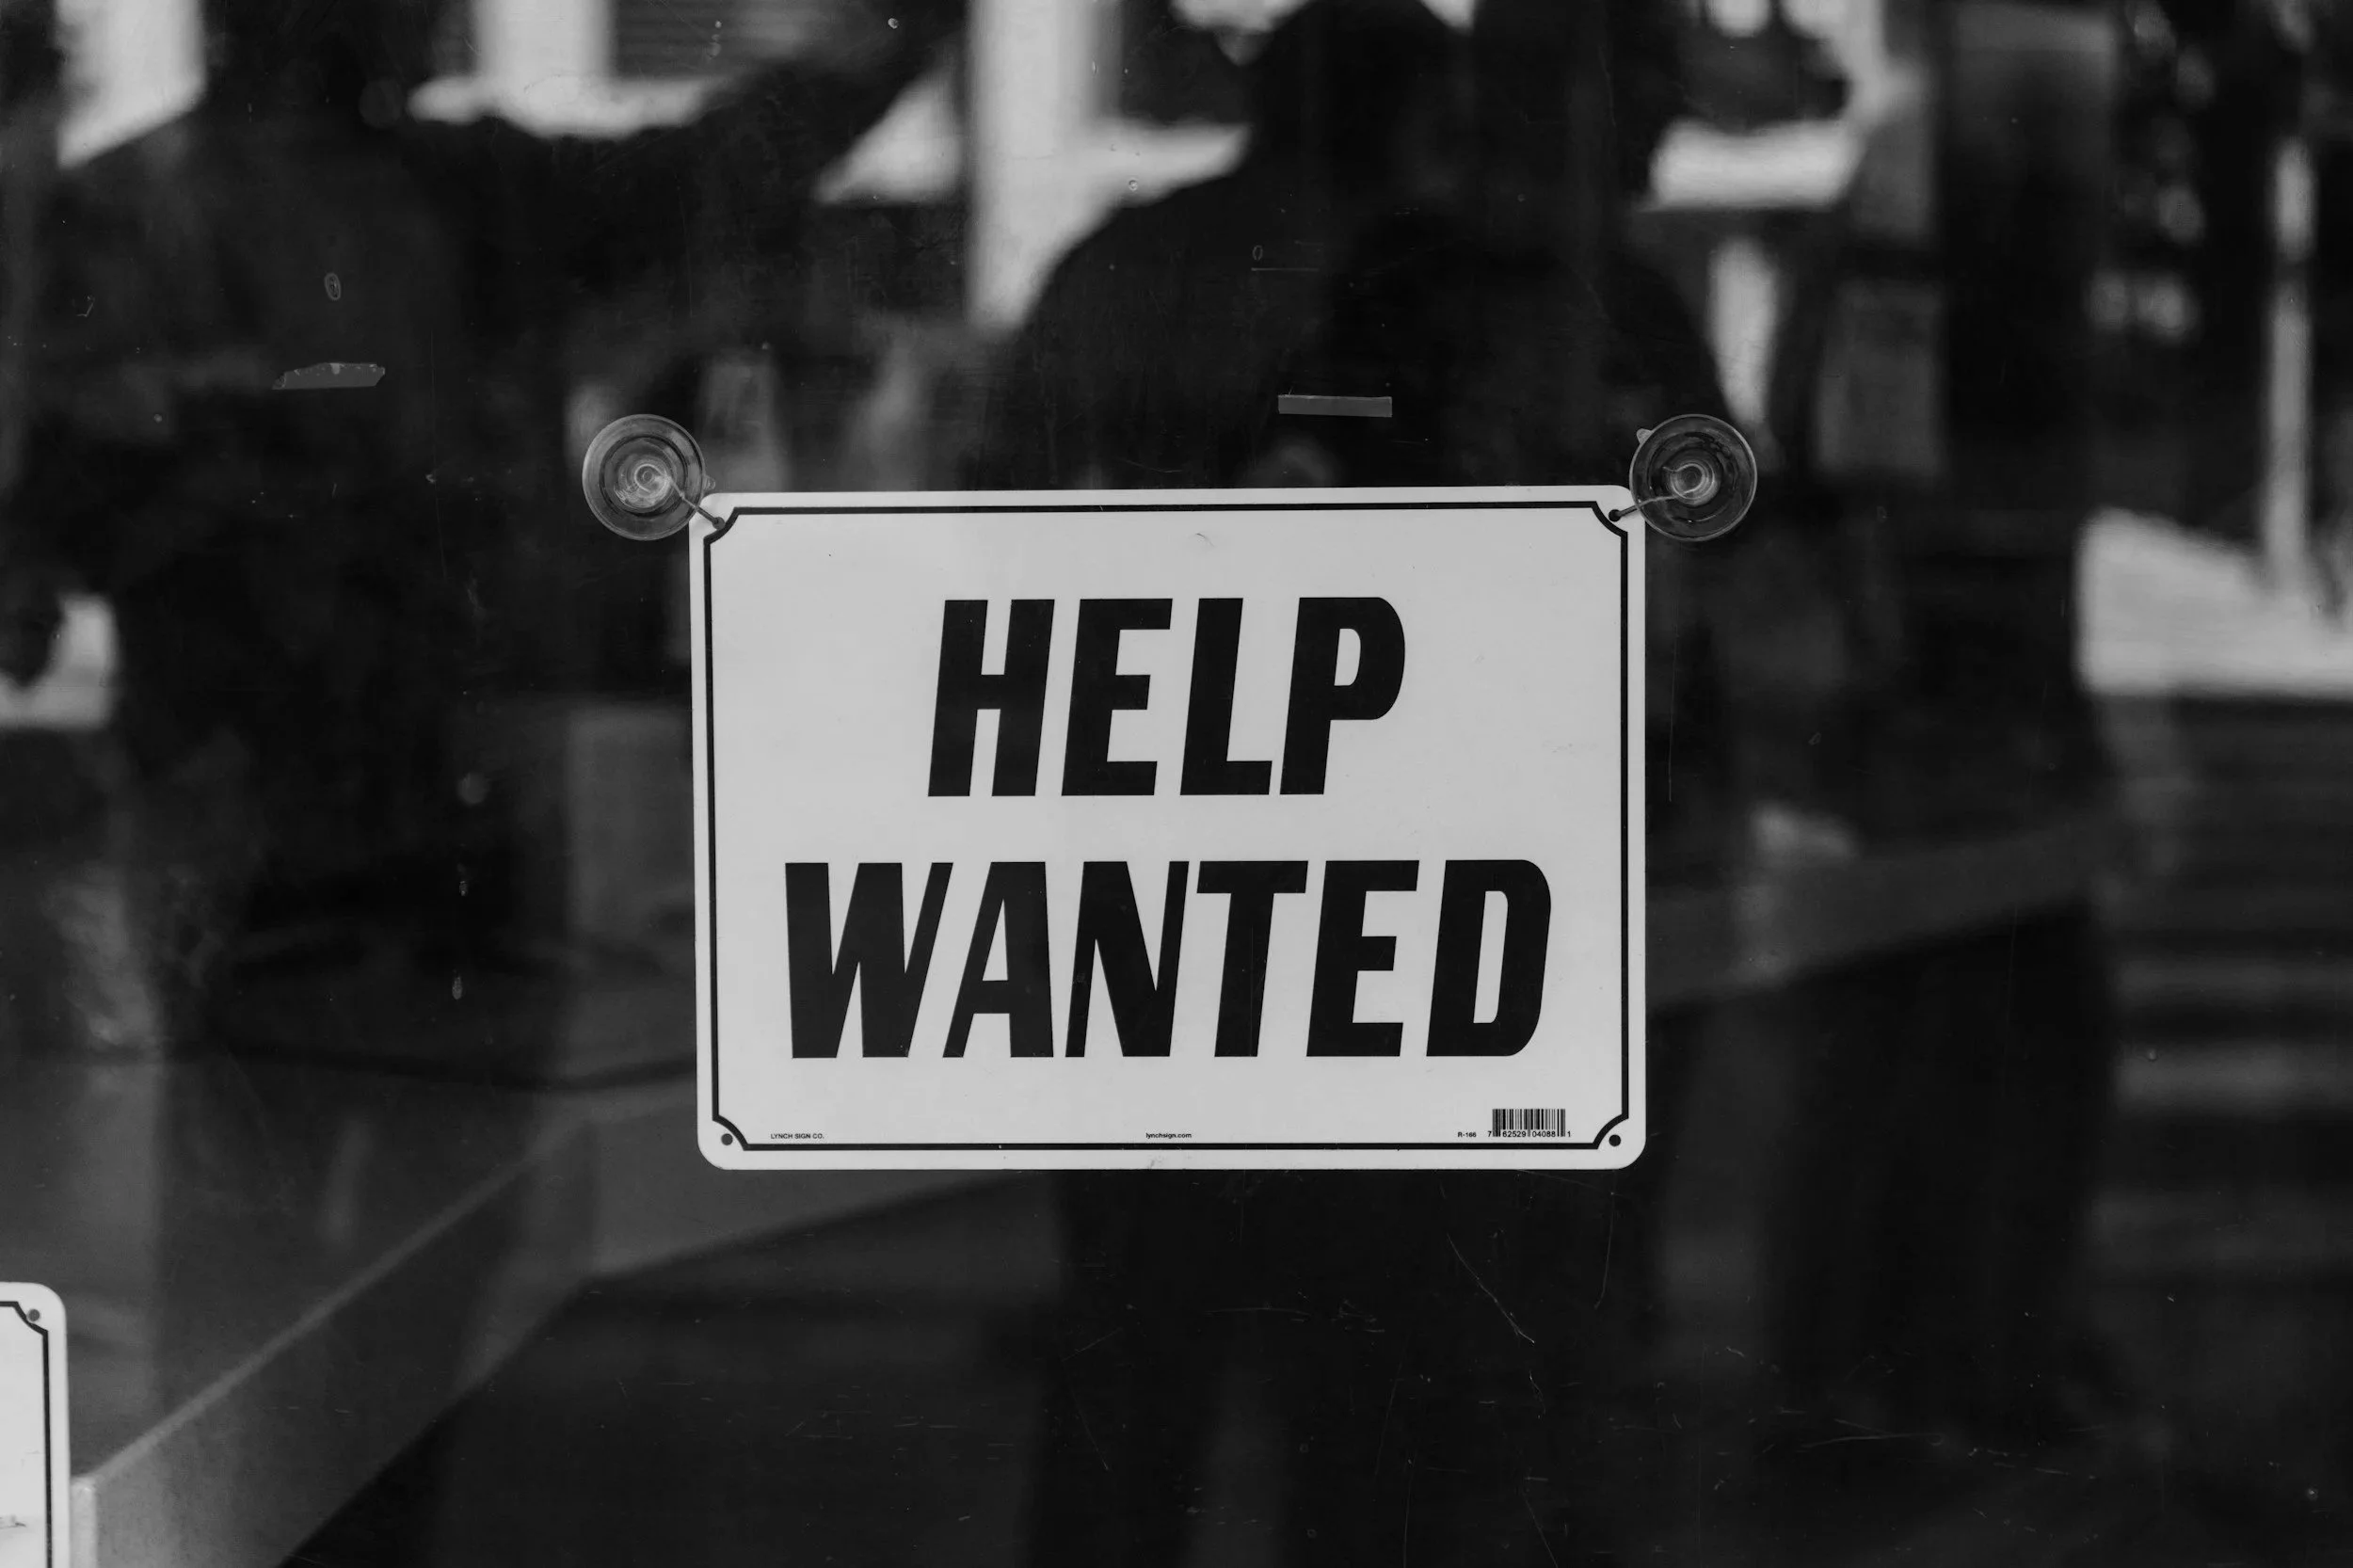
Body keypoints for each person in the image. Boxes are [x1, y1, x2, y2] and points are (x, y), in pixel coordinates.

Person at [972, 2, 1732, 1561]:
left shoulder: (1141, 266)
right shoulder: (1428, 290)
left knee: (1148, 1348)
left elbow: (1004, 539)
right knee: (1391, 1376)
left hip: (1152, 865)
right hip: (1367, 893)